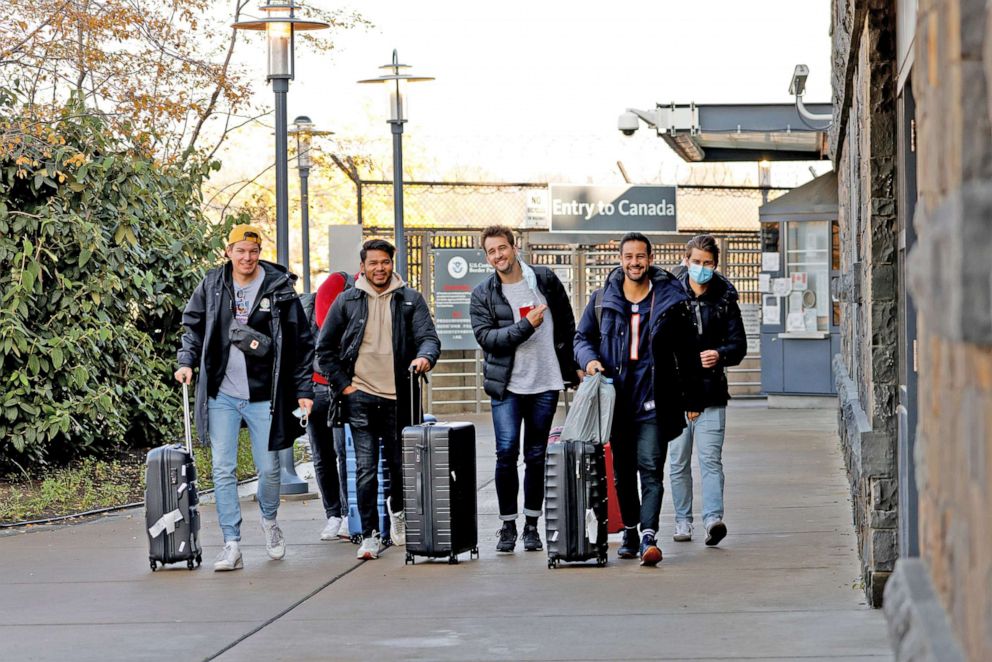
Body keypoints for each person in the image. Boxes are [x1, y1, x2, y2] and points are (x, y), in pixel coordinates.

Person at [175, 224, 315, 572]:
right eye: (240, 250)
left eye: (253, 251)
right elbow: (193, 326)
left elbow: (300, 343)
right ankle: (231, 543)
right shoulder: (212, 284)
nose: (247, 257)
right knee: (223, 469)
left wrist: (303, 391)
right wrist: (186, 362)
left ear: (259, 253)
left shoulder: (279, 288)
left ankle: (269, 521)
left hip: (265, 394)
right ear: (228, 251)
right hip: (222, 392)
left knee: (269, 469)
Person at [574, 232, 703, 566]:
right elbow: (581, 338)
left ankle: (649, 536)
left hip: (654, 401)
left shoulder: (670, 301)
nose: (635, 262)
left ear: (650, 258)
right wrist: (589, 360)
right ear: (621, 260)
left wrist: (693, 397)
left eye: (640, 256)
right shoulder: (602, 299)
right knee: (622, 472)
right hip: (616, 403)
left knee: (650, 466)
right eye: (629, 256)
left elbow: (688, 352)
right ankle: (630, 530)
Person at [315, 239, 441, 560]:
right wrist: (345, 386)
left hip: (401, 398)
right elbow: (325, 350)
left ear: (392, 263)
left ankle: (397, 516)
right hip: (360, 397)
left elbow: (428, 338)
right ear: (363, 267)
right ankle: (370, 535)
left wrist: (424, 357)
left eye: (384, 262)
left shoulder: (410, 300)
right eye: (373, 263)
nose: (379, 268)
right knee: (367, 469)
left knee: (400, 466)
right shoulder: (346, 301)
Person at [470, 225, 582, 553]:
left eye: (502, 248)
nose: (498, 256)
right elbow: (488, 339)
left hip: (544, 383)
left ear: (514, 247)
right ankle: (508, 526)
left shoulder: (543, 280)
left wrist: (572, 364)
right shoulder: (483, 294)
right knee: (506, 454)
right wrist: (525, 326)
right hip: (507, 386)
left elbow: (566, 324)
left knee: (536, 456)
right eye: (491, 252)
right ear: (486, 256)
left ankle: (532, 526)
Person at [667, 234, 747, 546]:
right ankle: (682, 521)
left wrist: (720, 354)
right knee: (677, 461)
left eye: (708, 263)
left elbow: (738, 345)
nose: (701, 268)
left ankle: (713, 519)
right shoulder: (669, 295)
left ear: (715, 265)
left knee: (711, 459)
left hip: (711, 393)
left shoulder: (725, 298)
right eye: (696, 262)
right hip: (676, 394)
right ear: (686, 261)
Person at [307, 270, 356, 542]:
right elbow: (324, 330)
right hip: (318, 384)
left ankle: (350, 514)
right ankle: (334, 515)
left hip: (344, 385)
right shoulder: (337, 283)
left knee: (343, 451)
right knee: (322, 454)